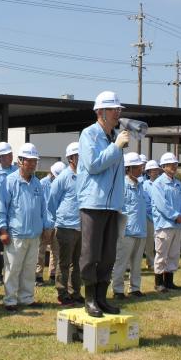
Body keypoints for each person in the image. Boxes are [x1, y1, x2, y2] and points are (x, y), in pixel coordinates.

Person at [76, 91, 129, 317]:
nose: (118, 112)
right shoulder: (89, 134)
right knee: (90, 254)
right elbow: (94, 164)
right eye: (113, 109)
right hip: (93, 203)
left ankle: (101, 297)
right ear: (100, 112)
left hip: (112, 205)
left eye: (118, 109)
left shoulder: (113, 136)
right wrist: (116, 147)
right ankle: (89, 299)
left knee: (108, 254)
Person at [0, 143, 52, 312]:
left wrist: (46, 227)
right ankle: (10, 300)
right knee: (13, 269)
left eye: (35, 161)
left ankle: (26, 298)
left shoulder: (37, 184)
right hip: (16, 234)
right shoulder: (9, 182)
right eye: (30, 161)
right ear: (20, 161)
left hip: (33, 235)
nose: (33, 164)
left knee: (28, 269)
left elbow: (43, 207)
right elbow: (1, 208)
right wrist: (2, 230)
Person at [48, 142, 83, 306]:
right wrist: (57, 220)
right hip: (65, 225)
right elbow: (52, 201)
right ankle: (62, 293)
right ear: (71, 158)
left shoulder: (85, 175)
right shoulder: (63, 177)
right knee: (64, 262)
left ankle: (75, 292)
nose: (81, 158)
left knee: (77, 262)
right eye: (78, 155)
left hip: (81, 225)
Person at [150, 152, 181, 292]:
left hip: (177, 224)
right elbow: (161, 204)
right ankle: (158, 283)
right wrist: (175, 215)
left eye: (175, 164)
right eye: (171, 164)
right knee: (161, 253)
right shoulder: (158, 184)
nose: (174, 167)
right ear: (163, 166)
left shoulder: (177, 183)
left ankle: (169, 281)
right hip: (164, 224)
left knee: (173, 253)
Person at [112, 152, 148, 299]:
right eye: (138, 167)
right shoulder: (122, 185)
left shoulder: (140, 185)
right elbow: (119, 209)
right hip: (126, 232)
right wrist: (122, 229)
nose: (141, 169)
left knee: (137, 263)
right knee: (121, 262)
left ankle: (135, 288)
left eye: (141, 166)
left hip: (140, 230)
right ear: (129, 169)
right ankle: (118, 290)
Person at [0, 142, 18, 286]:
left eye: (11, 154)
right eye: (7, 155)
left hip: (13, 215)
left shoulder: (16, 170)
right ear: (0, 158)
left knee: (11, 246)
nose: (10, 157)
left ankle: (10, 272)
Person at [36, 161, 65, 286]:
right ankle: (38, 275)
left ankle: (53, 274)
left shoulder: (60, 184)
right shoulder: (42, 184)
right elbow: (40, 205)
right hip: (45, 223)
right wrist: (42, 223)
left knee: (55, 250)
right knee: (40, 250)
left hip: (57, 222)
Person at [142, 160, 161, 270]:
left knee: (159, 240)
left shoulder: (161, 183)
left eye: (156, 170)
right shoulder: (145, 185)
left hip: (161, 217)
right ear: (148, 172)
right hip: (149, 217)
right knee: (149, 241)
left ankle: (159, 261)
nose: (155, 172)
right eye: (153, 170)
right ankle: (150, 261)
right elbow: (146, 202)